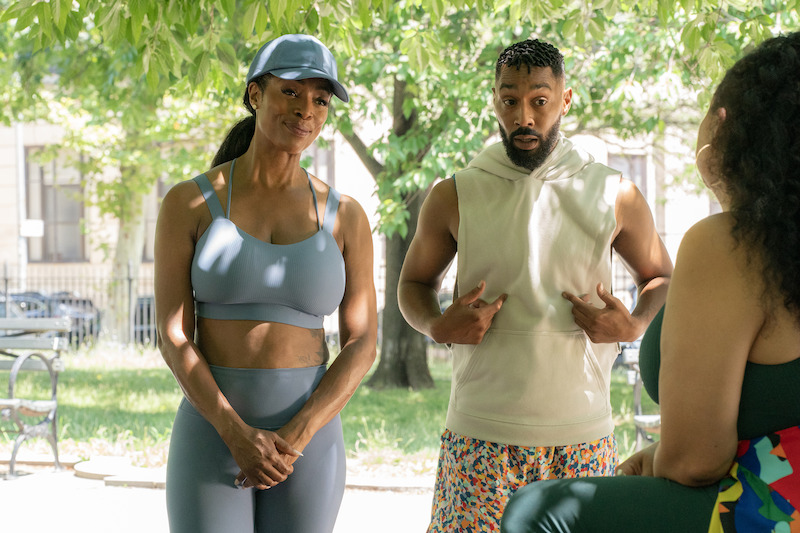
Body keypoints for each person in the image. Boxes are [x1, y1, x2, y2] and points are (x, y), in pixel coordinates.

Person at [501, 31, 800, 533]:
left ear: (727, 125)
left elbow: (694, 462)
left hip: (774, 503)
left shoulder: (727, 244)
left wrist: (656, 459)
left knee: (535, 512)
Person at [397, 38, 673, 532]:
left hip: (582, 436)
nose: (523, 116)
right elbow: (413, 284)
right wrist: (439, 325)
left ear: (565, 101)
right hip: (478, 433)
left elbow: (660, 277)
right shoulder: (454, 193)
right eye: (510, 100)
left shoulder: (615, 194)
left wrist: (632, 325)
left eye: (539, 101)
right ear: (494, 101)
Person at [154, 34, 377, 533]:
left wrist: (296, 436)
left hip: (309, 443)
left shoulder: (346, 217)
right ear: (256, 94)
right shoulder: (188, 204)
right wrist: (234, 433)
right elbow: (173, 334)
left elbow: (363, 343)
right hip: (212, 432)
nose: (307, 111)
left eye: (321, 100)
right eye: (292, 92)